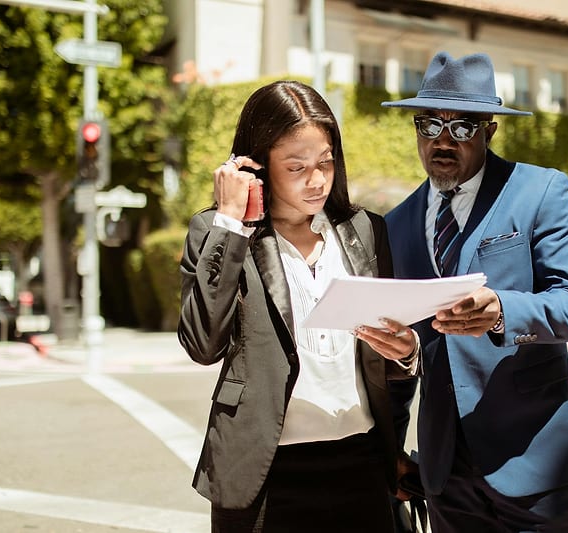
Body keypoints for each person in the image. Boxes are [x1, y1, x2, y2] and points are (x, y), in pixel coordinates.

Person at [178, 80, 420, 533]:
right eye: (296, 167)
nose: (317, 181)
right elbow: (202, 343)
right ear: (258, 166)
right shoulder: (218, 233)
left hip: (360, 462)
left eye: (325, 163)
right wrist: (232, 222)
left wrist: (406, 352)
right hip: (264, 472)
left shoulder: (365, 231)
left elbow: (383, 365)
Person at [382, 51, 568, 532]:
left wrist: (504, 309)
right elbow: (397, 346)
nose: (443, 140)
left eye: (462, 126)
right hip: (446, 472)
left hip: (535, 460)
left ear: (490, 129)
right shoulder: (397, 224)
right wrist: (390, 448)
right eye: (428, 125)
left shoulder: (540, 192)